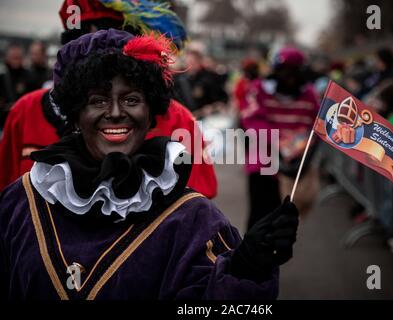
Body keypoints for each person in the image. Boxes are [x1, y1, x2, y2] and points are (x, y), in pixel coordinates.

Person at [0, 29, 299, 300]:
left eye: (131, 99)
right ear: (76, 112)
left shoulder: (194, 218)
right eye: (98, 100)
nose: (115, 112)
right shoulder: (22, 200)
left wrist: (245, 270)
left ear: (151, 111)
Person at [0, 0, 217, 198]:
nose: (114, 113)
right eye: (87, 39)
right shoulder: (26, 111)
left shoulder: (179, 118)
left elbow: (197, 201)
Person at [241, 47, 320, 228]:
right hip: (263, 163)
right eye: (285, 71)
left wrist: (302, 145)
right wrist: (279, 141)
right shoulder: (259, 89)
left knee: (284, 222)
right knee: (260, 218)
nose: (289, 77)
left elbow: (315, 125)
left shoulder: (309, 94)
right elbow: (252, 120)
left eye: (293, 72)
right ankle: (252, 255)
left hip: (295, 164)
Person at [0, 44, 32, 131]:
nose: (16, 60)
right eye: (13, 57)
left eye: (18, 57)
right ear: (7, 57)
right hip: (4, 121)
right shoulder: (2, 77)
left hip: (23, 120)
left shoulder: (29, 76)